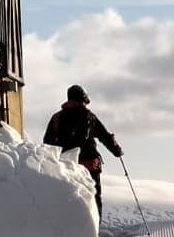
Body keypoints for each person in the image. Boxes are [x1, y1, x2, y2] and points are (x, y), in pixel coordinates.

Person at [43, 84, 123, 218]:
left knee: (70, 198)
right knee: (94, 198)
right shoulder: (89, 116)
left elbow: (47, 143)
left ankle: (72, 229)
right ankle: (94, 230)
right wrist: (117, 151)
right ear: (83, 99)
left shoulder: (57, 118)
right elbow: (104, 136)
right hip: (90, 165)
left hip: (66, 167)